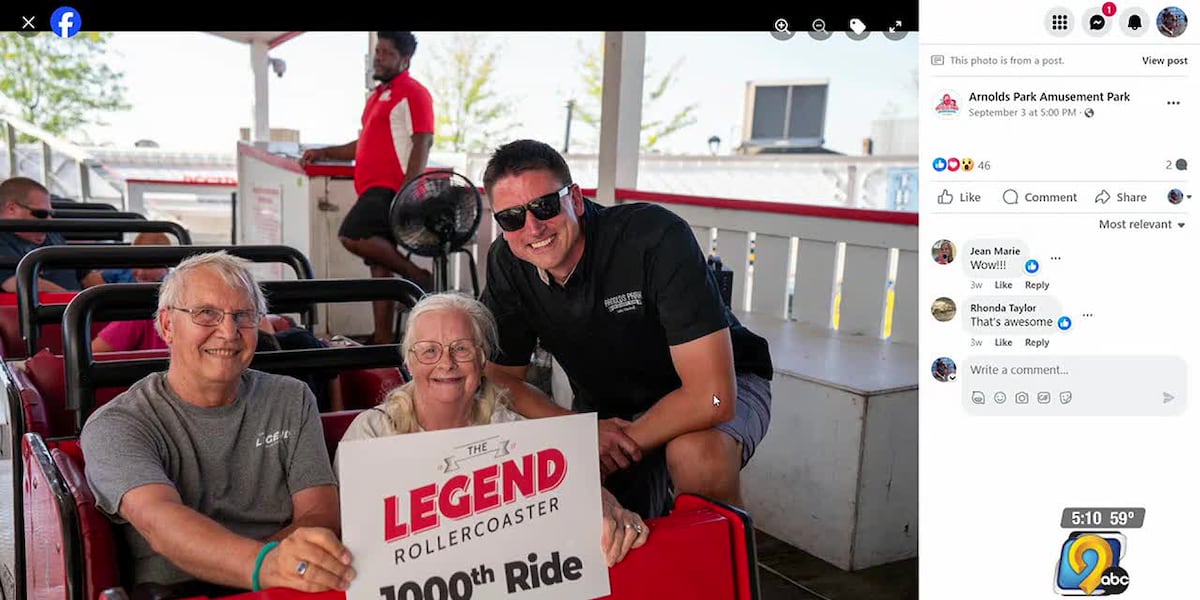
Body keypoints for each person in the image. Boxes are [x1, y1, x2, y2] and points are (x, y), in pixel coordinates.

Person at [478, 140, 774, 519]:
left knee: (698, 456)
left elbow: (713, 397)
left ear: (576, 200)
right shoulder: (508, 263)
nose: (533, 227)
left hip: (718, 389)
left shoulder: (653, 236)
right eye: (512, 218)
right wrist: (580, 432)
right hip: (608, 410)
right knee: (578, 508)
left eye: (546, 207)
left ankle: (728, 573)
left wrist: (612, 445)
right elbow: (501, 378)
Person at [81, 251, 354, 597]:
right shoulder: (118, 424)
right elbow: (160, 521)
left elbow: (319, 511)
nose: (228, 331)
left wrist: (277, 567)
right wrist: (267, 565)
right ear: (167, 325)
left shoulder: (291, 398)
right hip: (182, 590)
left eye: (243, 315)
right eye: (206, 314)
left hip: (285, 584)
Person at [338, 292, 650, 566]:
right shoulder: (370, 434)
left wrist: (605, 503)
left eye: (461, 349)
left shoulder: (510, 428)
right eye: (429, 351)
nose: (446, 363)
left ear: (482, 359)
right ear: (409, 361)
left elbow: (564, 482)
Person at [299, 31, 435, 344]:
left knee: (353, 234)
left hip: (390, 188)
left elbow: (422, 141)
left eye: (386, 52)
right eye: (377, 51)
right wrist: (326, 152)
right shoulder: (376, 97)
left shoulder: (413, 93)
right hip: (372, 189)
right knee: (378, 266)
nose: (379, 57)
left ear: (405, 59)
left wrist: (407, 191)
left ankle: (417, 278)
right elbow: (363, 145)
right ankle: (384, 339)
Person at [0, 176, 104, 292]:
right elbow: (18, 283)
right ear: (11, 209)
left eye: (50, 214)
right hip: (50, 307)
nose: (49, 220)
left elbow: (85, 276)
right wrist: (74, 302)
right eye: (41, 213)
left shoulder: (50, 234)